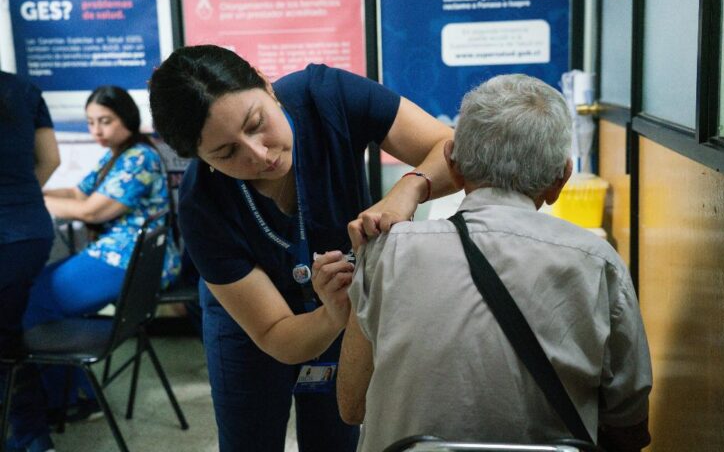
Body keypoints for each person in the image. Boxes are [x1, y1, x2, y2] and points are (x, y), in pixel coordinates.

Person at [147, 44, 456, 451]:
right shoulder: (203, 205)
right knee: (249, 439)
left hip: (342, 300)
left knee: (336, 434)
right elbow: (276, 334)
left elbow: (453, 150)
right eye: (226, 153)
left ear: (265, 83)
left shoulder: (327, 97)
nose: (260, 154)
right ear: (201, 159)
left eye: (257, 123)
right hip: (251, 324)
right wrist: (330, 315)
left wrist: (409, 188)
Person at [337, 74, 653, 451]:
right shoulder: (599, 265)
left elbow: (352, 406)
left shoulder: (388, 253)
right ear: (561, 179)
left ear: (452, 164)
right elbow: (628, 427)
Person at [21, 85, 181, 424]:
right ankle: (73, 393)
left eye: (105, 121)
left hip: (128, 261)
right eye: (91, 122)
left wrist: (32, 202)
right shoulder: (117, 154)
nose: (97, 131)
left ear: (128, 118)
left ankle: (70, 399)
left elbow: (93, 212)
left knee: (31, 300)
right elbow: (78, 193)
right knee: (33, 290)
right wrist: (28, 188)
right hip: (122, 256)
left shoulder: (140, 157)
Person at [0, 71, 60, 452]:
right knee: (9, 336)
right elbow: (50, 160)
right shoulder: (22, 88)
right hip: (30, 232)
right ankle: (33, 435)